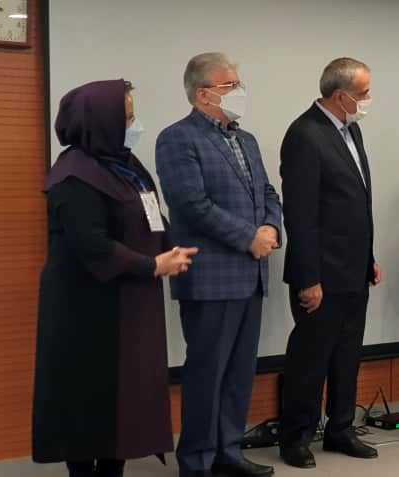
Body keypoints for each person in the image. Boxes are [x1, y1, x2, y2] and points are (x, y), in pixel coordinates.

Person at [33, 79, 197, 477]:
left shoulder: (127, 165)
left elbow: (150, 215)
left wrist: (171, 248)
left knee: (126, 400)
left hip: (130, 303)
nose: (134, 124)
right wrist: (151, 266)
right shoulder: (73, 174)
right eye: (126, 117)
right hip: (86, 310)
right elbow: (90, 243)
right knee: (86, 400)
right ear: (99, 121)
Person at [155, 52, 282, 477]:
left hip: (251, 275)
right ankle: (197, 461)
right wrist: (249, 238)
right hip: (212, 277)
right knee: (207, 372)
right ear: (203, 94)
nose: (239, 91)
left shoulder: (246, 140)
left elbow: (268, 192)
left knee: (239, 373)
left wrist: (271, 227)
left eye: (238, 83)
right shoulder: (177, 138)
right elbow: (191, 205)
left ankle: (229, 452)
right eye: (231, 85)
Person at [278, 57, 381, 469]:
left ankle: (341, 429)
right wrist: (308, 279)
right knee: (310, 360)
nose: (369, 99)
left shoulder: (351, 129)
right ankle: (295, 437)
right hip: (320, 274)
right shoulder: (305, 134)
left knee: (347, 357)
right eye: (364, 93)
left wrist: (369, 258)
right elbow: (299, 214)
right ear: (340, 96)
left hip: (353, 270)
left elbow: (355, 203)